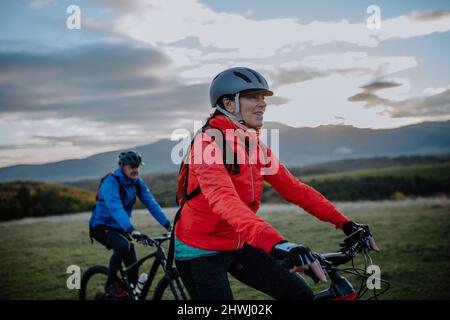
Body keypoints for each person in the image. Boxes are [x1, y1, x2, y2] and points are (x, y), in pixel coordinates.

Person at [173, 67, 379, 300]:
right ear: (229, 104)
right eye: (253, 97)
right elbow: (224, 199)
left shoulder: (253, 145)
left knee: (298, 294)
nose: (262, 103)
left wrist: (345, 223)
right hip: (199, 248)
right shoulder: (207, 143)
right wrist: (277, 244)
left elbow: (294, 189)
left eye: (263, 97)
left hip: (239, 241)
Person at [89, 150, 171, 299]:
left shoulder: (137, 183)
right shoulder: (111, 182)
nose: (135, 169)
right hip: (101, 226)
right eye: (131, 166)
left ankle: (129, 293)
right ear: (122, 166)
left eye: (137, 166)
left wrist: (168, 225)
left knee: (133, 265)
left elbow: (152, 204)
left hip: (120, 227)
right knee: (123, 246)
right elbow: (115, 208)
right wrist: (132, 230)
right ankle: (111, 284)